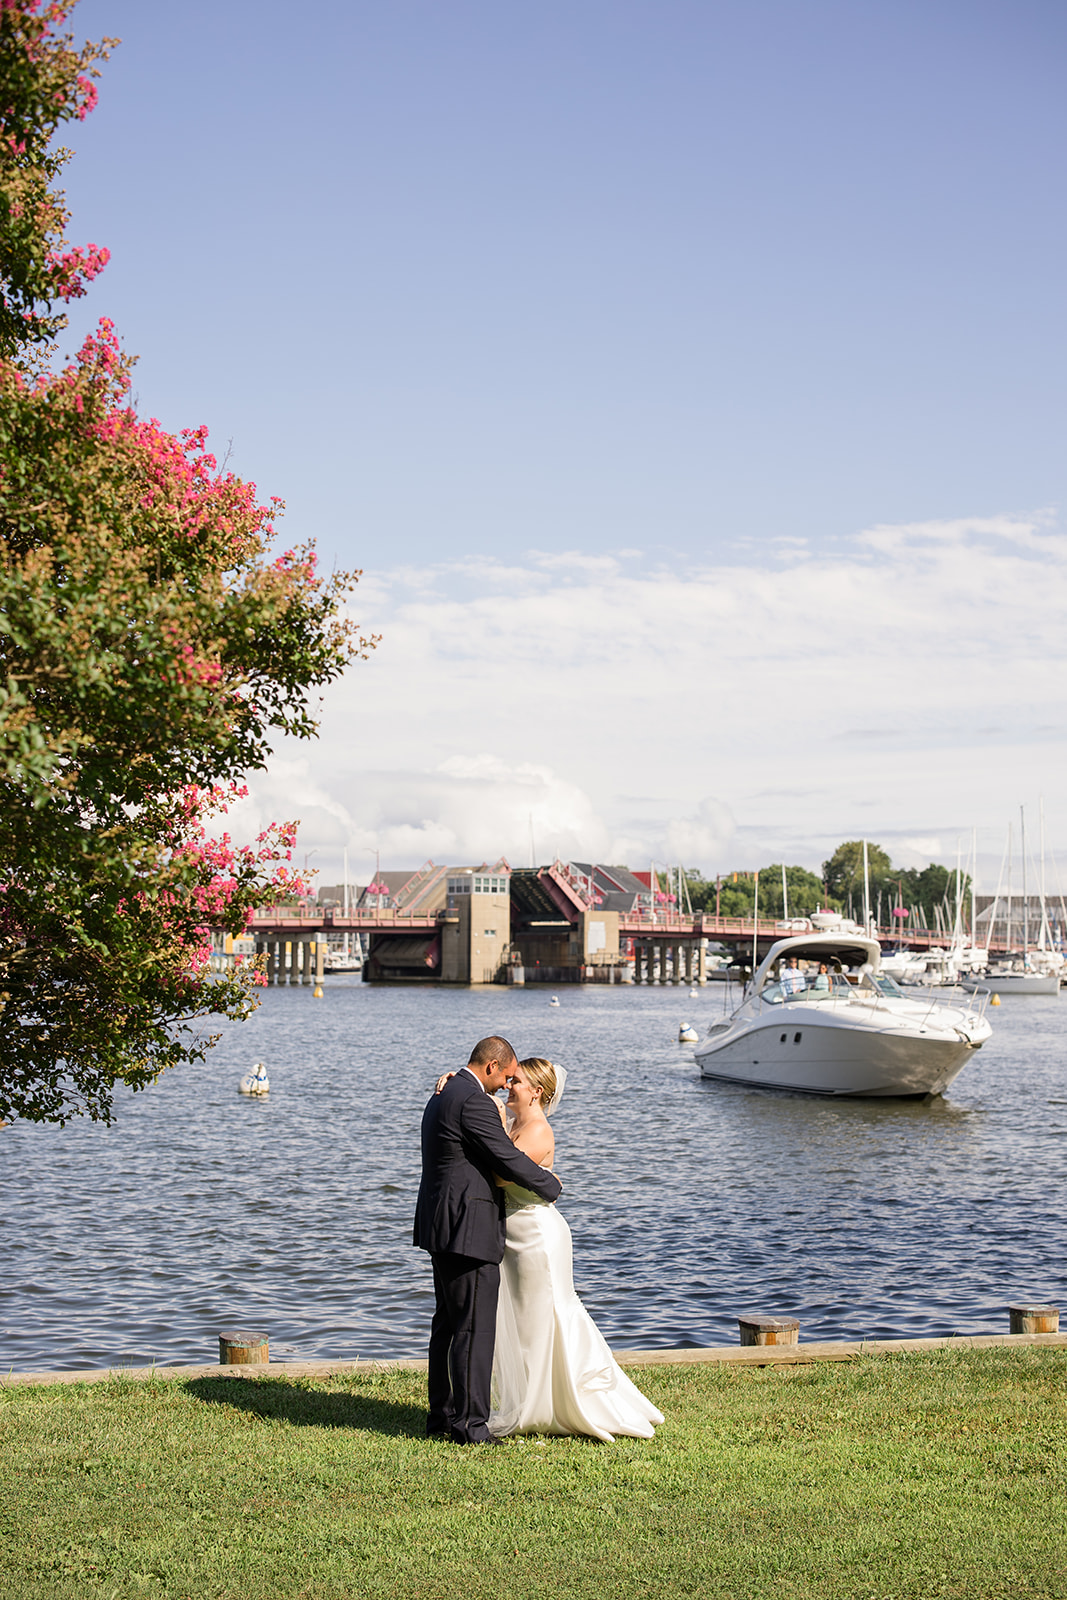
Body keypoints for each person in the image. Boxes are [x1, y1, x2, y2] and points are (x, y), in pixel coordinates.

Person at [439, 1055, 663, 1442]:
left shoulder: (538, 1131)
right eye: (509, 1081)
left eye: (518, 1083)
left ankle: (564, 1401)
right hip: (513, 1234)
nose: (509, 1086)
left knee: (548, 1315)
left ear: (537, 1092)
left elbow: (500, 1172)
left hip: (536, 1238)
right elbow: (495, 1148)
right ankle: (531, 1399)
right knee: (527, 1323)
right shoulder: (514, 1123)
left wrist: (483, 1116)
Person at [413, 1035, 562, 1445]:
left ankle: (441, 1416)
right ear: (492, 1067)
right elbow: (504, 1157)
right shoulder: (473, 1099)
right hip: (468, 1227)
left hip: (441, 1223)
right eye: (507, 1076)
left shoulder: (444, 1093)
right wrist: (549, 1185)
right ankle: (470, 1426)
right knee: (474, 1329)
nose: (506, 1085)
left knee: (446, 1324)